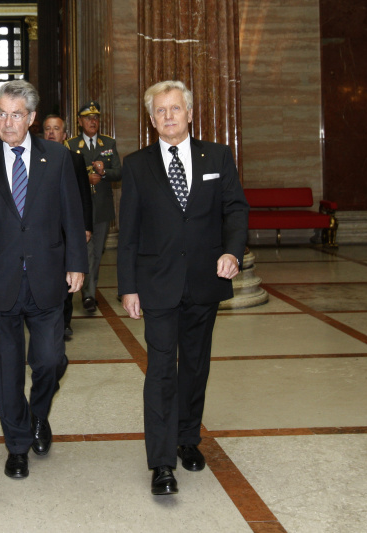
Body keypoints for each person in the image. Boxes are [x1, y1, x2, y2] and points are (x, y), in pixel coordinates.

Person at [117, 80, 249, 496]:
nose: (169, 116)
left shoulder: (218, 156)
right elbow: (130, 234)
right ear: (152, 118)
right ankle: (161, 462)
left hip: (204, 280)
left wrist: (232, 252)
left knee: (194, 365)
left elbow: (235, 209)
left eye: (176, 108)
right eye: (161, 110)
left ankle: (187, 437)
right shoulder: (137, 165)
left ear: (190, 114)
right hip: (156, 285)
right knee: (160, 371)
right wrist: (128, 287)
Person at [0, 80, 88, 479]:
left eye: (16, 114)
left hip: (47, 276)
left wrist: (77, 264)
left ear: (32, 118)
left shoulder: (58, 157)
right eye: (1, 114)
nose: (7, 122)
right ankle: (17, 443)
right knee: (4, 370)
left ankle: (39, 413)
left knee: (50, 360)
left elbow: (72, 215)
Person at [65, 101, 122, 314]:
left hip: (103, 207)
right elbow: (67, 176)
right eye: (88, 118)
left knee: (97, 253)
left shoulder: (108, 143)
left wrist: (104, 172)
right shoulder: (71, 145)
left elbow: (118, 172)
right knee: (87, 251)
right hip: (81, 208)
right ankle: (88, 295)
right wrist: (85, 178)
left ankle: (90, 289)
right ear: (80, 122)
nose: (93, 121)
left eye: (96, 118)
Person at [42, 114, 93, 339]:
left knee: (68, 276)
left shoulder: (74, 159)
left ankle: (64, 322)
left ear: (64, 135)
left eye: (56, 129)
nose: (51, 133)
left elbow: (84, 195)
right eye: (47, 129)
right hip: (43, 231)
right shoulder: (33, 157)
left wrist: (86, 226)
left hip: (67, 229)